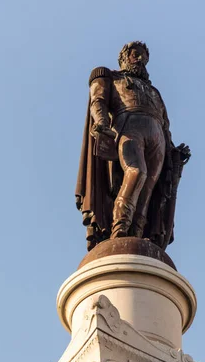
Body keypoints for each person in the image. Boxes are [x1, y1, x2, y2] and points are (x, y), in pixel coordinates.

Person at [76, 41, 190, 251]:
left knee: (148, 189)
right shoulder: (111, 77)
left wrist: (174, 151)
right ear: (124, 57)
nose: (139, 60)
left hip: (157, 135)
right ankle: (119, 230)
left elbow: (166, 126)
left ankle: (137, 235)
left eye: (143, 57)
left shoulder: (155, 93)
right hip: (128, 125)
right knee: (136, 172)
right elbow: (97, 101)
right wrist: (101, 122)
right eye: (135, 55)